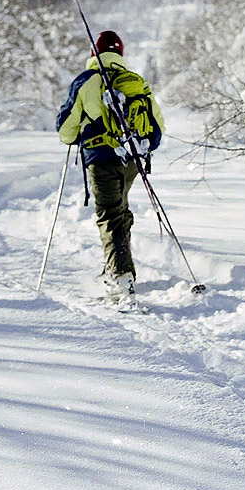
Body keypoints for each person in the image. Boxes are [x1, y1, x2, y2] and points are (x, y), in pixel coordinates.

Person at [56, 30, 164, 304]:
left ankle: (121, 277)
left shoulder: (86, 81)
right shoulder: (136, 81)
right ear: (121, 54)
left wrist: (80, 132)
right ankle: (118, 266)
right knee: (119, 211)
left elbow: (66, 129)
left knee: (109, 214)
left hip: (101, 158)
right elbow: (158, 127)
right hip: (132, 159)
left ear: (94, 54)